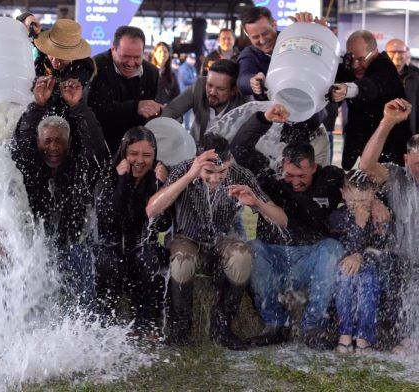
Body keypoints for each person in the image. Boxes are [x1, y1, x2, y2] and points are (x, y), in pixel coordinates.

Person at [146, 134, 287, 349]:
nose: (215, 179)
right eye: (209, 172)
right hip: (186, 237)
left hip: (222, 239)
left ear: (229, 163)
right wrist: (188, 177)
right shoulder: (183, 169)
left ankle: (222, 326)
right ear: (196, 163)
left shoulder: (241, 175)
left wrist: (256, 202)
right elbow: (152, 209)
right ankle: (181, 327)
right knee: (182, 263)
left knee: (242, 257)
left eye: (222, 172)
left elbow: (282, 221)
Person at [232, 104, 346, 349]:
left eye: (301, 176)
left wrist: (376, 203)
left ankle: (312, 326)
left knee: (333, 248)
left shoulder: (330, 177)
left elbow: (360, 185)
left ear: (314, 167)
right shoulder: (270, 175)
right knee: (253, 247)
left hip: (311, 259)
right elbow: (239, 148)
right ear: (282, 167)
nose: (295, 182)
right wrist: (263, 119)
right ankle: (275, 324)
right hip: (273, 256)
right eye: (290, 175)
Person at [12, 76, 108, 305]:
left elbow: (96, 150)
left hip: (70, 243)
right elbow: (22, 142)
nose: (53, 147)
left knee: (83, 257)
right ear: (38, 143)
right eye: (48, 141)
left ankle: (85, 322)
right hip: (35, 244)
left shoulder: (78, 166)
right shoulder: (30, 165)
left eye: (59, 141)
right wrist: (37, 106)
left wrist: (78, 106)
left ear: (69, 143)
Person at [94, 126, 170, 339]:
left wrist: (160, 187)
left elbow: (162, 225)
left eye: (147, 155)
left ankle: (145, 323)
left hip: (143, 248)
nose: (140, 160)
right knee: (108, 260)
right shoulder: (108, 175)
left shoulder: (159, 177)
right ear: (124, 153)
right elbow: (110, 219)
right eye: (133, 154)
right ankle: (106, 323)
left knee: (147, 257)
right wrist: (123, 181)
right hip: (112, 247)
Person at [359, 98, 418, 353]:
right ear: (407, 159)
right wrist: (387, 123)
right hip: (401, 260)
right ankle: (400, 337)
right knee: (393, 266)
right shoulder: (398, 177)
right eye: (418, 165)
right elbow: (366, 166)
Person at [237, 8, 331, 166]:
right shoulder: (250, 55)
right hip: (279, 140)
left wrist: (318, 32)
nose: (262, 40)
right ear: (248, 36)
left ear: (274, 24)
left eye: (265, 33)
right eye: (255, 37)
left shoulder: (299, 37)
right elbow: (242, 79)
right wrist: (253, 82)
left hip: (313, 132)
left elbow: (328, 59)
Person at [331, 30, 410, 170]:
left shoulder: (384, 66)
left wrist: (348, 89)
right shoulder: (351, 67)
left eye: (361, 59)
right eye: (351, 58)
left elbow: (374, 85)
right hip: (359, 148)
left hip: (389, 151)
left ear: (374, 51)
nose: (355, 65)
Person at [331, 170, 388, 354]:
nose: (358, 207)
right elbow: (344, 247)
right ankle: (345, 333)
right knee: (345, 274)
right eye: (353, 201)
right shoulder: (337, 216)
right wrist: (359, 225)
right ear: (344, 194)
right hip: (345, 266)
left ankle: (364, 337)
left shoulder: (378, 216)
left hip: (371, 267)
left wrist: (362, 255)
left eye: (363, 202)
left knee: (368, 277)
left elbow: (381, 249)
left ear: (372, 196)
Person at [88, 26, 161, 153]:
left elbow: (155, 108)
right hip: (100, 148)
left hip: (138, 151)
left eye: (137, 57)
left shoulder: (152, 72)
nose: (131, 63)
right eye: (125, 56)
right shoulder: (94, 68)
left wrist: (157, 110)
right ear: (113, 49)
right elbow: (93, 110)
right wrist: (135, 107)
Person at [162, 60, 245, 146]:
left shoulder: (242, 107)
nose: (212, 92)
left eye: (220, 89)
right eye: (209, 85)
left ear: (233, 91)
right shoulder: (200, 85)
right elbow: (172, 109)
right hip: (195, 150)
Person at [33, 19, 95, 117]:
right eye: (51, 53)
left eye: (62, 57)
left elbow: (59, 92)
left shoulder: (84, 67)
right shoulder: (42, 58)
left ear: (74, 56)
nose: (54, 60)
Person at [385, 39, 419, 135]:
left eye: (401, 52)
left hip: (410, 131)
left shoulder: (417, 75)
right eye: (393, 52)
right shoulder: (376, 75)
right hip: (384, 131)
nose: (397, 56)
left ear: (407, 53)